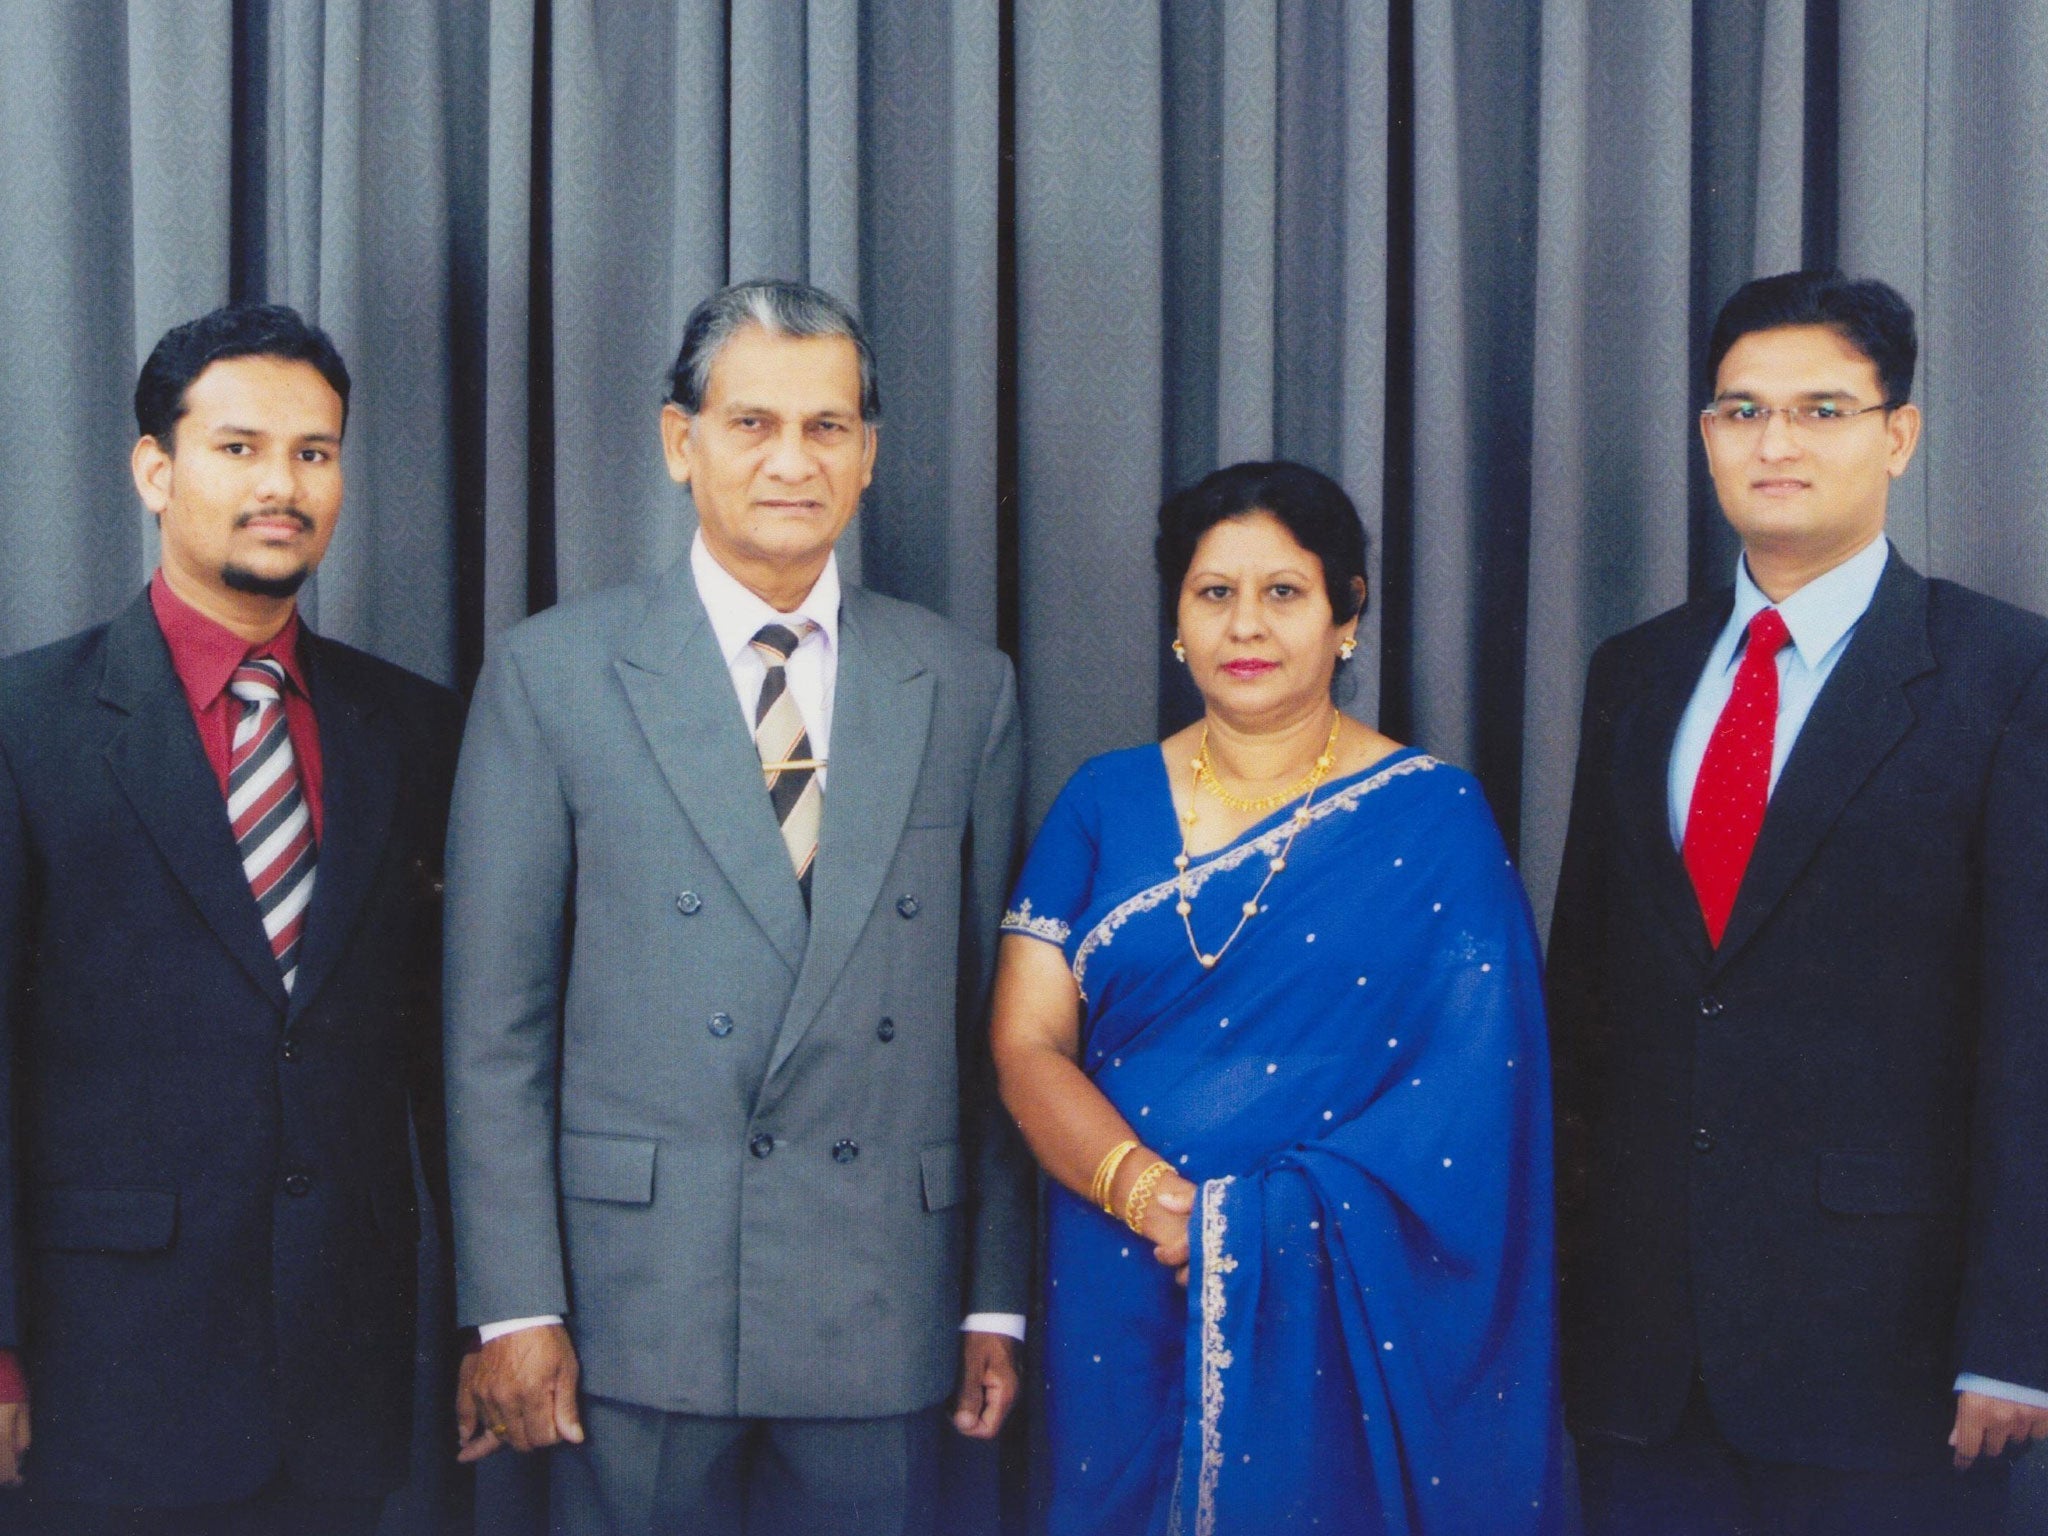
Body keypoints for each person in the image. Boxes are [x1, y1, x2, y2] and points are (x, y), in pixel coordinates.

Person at [443, 279, 1033, 1535]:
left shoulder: (963, 687)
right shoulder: (553, 674)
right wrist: (513, 1304)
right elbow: (494, 1030)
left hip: (885, 1297)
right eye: (750, 423)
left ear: (869, 455)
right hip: (634, 1303)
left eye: (826, 428)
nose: (789, 461)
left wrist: (994, 1297)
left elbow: (996, 1026)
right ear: (679, 442)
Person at [1548, 269, 2048, 1535]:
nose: (1773, 443)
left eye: (1821, 409)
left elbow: (2031, 1031)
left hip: (1892, 1359)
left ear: (1897, 435)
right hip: (1641, 1360)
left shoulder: (2004, 674)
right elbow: (1585, 1009)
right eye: (1737, 410)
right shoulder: (1635, 672)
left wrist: (2013, 1339)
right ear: (1705, 435)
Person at [990, 461, 1573, 1535]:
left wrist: (1253, 1228)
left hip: (1347, 1290)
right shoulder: (1101, 800)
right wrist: (1158, 1203)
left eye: (1282, 592)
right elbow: (1026, 1041)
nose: (1243, 626)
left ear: (1346, 612)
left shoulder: (1434, 817)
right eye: (1212, 594)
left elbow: (1471, 1102)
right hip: (1119, 1270)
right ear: (1175, 619)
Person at [0, 303, 462, 1534]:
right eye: (240, 447)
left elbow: (448, 1057)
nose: (283, 485)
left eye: (314, 453)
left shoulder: (416, 731)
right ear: (156, 470)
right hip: (100, 1381)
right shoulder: (26, 723)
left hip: (340, 1378)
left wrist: (489, 1317)